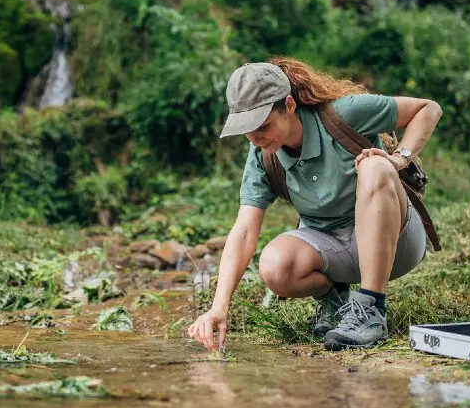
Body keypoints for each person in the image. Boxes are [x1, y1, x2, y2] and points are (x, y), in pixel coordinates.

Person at [188, 58, 442, 351]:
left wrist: (399, 158)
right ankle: (338, 302)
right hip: (335, 250)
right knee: (274, 265)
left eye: (263, 125)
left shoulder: (344, 114)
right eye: (247, 129)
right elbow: (244, 230)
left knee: (374, 166)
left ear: (289, 106)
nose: (256, 138)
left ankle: (371, 308)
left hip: (397, 244)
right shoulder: (262, 154)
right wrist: (219, 307)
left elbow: (428, 108)